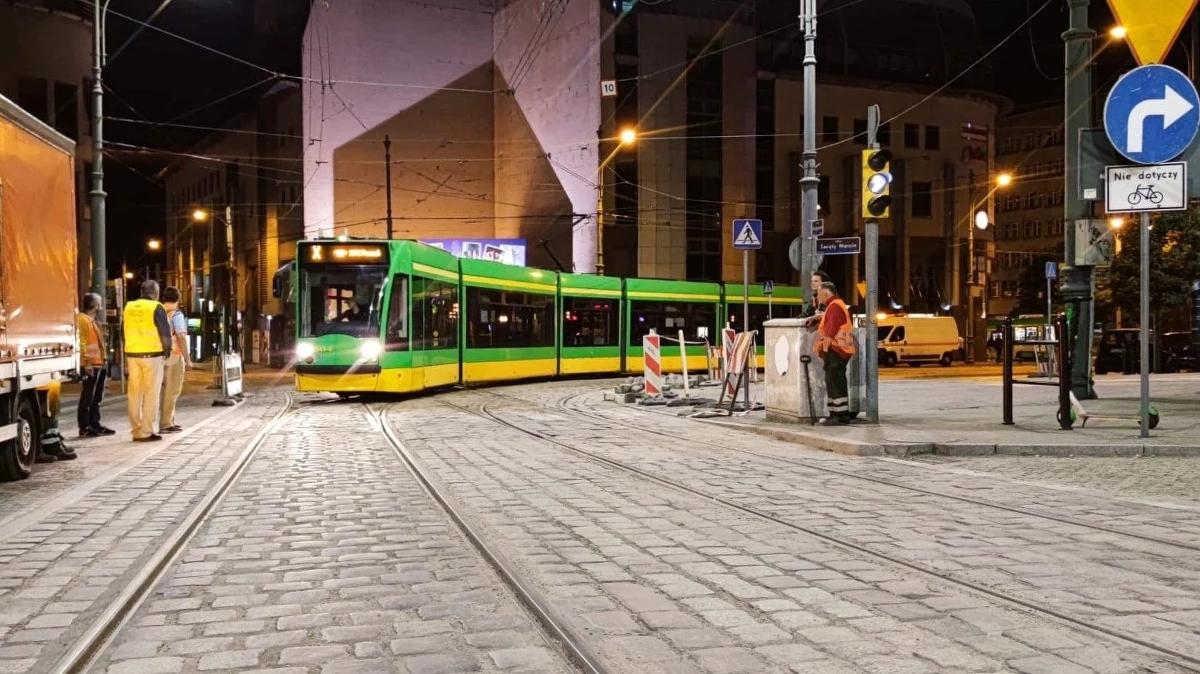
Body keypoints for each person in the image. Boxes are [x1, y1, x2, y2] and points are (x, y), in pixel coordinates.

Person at [123, 280, 171, 442]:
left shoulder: (128, 307)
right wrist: (167, 351)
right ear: (155, 293)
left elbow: (124, 331)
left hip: (132, 355)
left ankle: (136, 430)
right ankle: (146, 430)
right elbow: (165, 333)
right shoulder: (157, 307)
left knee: (134, 394)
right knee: (151, 394)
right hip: (152, 356)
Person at [814, 282, 857, 425]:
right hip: (838, 351)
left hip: (835, 350)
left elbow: (830, 332)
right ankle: (834, 414)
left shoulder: (834, 307)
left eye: (819, 294)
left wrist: (825, 350)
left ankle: (841, 416)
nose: (817, 297)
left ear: (826, 294)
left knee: (835, 383)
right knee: (833, 382)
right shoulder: (836, 305)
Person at [77, 293, 115, 438]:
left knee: (96, 397)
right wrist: (86, 363)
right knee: (88, 397)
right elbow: (82, 343)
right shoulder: (83, 320)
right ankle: (85, 426)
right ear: (93, 305)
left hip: (98, 364)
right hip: (91, 365)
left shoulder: (91, 320)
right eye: (100, 303)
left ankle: (95, 424)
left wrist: (104, 360)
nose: (102, 306)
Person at [158, 286, 193, 434]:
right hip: (174, 355)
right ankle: (166, 423)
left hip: (159, 355)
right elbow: (180, 337)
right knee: (172, 390)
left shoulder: (158, 310)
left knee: (163, 389)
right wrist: (188, 358)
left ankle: (167, 420)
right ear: (178, 299)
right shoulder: (176, 314)